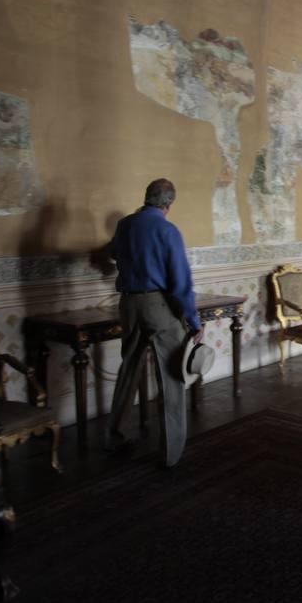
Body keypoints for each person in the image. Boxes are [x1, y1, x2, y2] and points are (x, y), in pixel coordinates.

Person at [105, 178, 201, 467]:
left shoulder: (124, 224)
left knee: (129, 369)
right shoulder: (168, 230)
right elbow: (180, 280)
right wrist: (193, 320)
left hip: (128, 304)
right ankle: (171, 452)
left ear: (147, 198)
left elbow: (112, 253)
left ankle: (116, 436)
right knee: (171, 376)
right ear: (168, 205)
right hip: (158, 305)